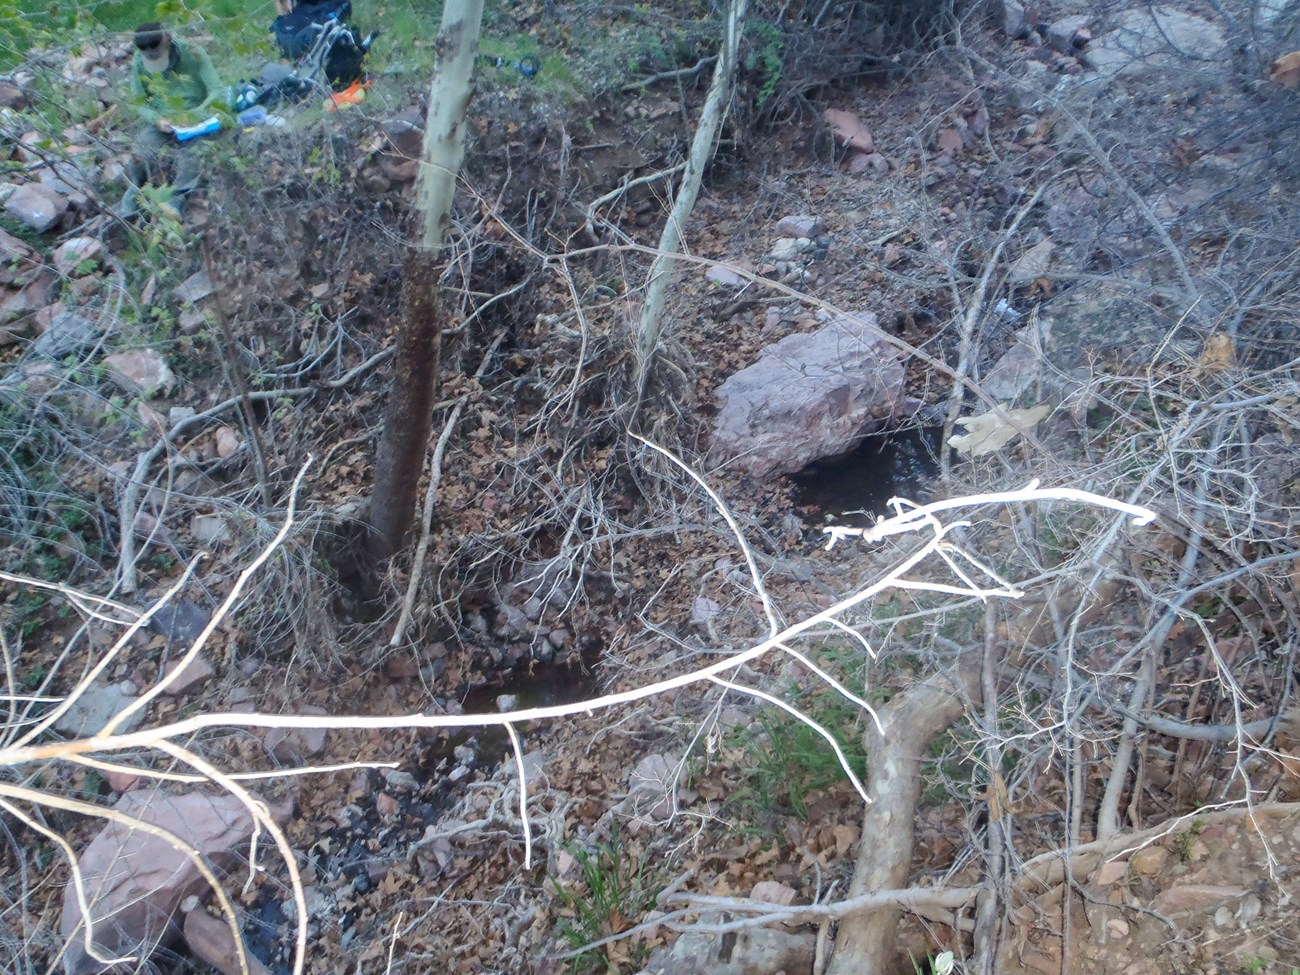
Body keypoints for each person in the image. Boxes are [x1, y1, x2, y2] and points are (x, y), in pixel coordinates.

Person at [118, 22, 225, 219]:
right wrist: (156, 119)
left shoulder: (192, 53)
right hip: (163, 120)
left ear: (167, 39)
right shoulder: (140, 62)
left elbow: (217, 90)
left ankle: (177, 200)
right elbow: (138, 102)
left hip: (195, 117)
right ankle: (134, 193)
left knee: (192, 153)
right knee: (141, 151)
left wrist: (196, 114)